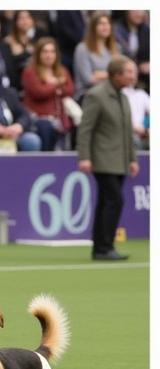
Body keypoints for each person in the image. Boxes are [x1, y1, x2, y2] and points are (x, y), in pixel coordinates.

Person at [78, 57, 139, 261]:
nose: (133, 75)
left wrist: (132, 158)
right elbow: (86, 129)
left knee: (106, 202)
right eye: (129, 72)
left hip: (119, 159)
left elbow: (127, 131)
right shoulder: (97, 95)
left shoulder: (123, 96)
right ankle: (105, 246)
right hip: (102, 158)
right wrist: (84, 156)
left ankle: (101, 248)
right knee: (115, 201)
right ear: (116, 74)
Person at [21, 37, 76, 151]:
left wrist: (51, 86)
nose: (49, 55)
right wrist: (56, 84)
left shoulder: (62, 70)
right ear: (38, 54)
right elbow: (39, 92)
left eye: (52, 52)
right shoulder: (30, 72)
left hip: (60, 117)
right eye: (45, 52)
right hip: (39, 119)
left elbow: (70, 89)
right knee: (46, 131)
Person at [74, 13, 119, 99]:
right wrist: (112, 74)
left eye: (107, 23)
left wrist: (100, 74)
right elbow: (88, 79)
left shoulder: (115, 48)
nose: (105, 26)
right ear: (93, 27)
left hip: (111, 92)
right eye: (101, 23)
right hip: (88, 94)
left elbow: (120, 75)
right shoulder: (82, 48)